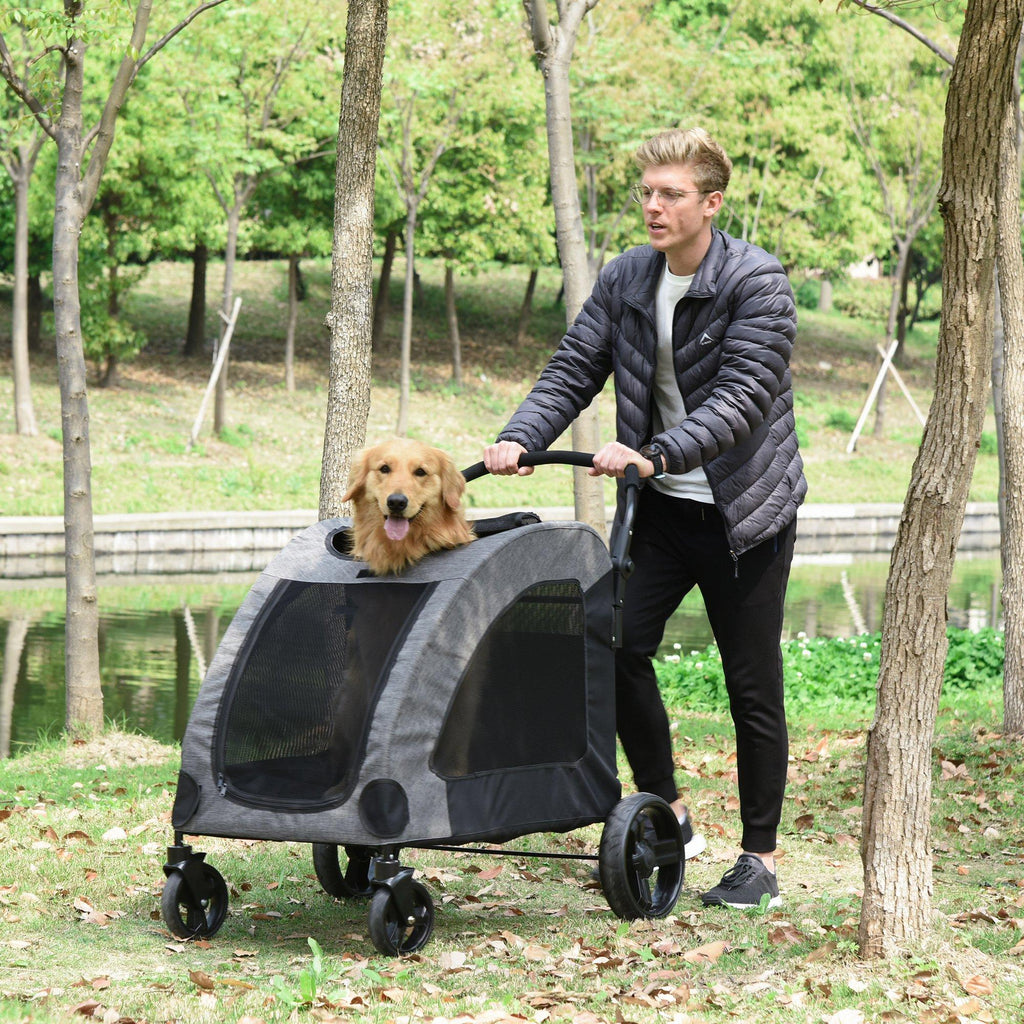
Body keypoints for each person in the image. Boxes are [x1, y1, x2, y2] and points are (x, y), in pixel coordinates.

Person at [484, 127, 805, 909]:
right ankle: (671, 813)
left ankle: (760, 860)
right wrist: (522, 437)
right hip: (660, 510)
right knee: (613, 643)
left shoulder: (757, 282)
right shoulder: (628, 276)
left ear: (711, 203)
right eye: (647, 193)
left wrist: (654, 453)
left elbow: (741, 400)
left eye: (671, 194)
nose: (653, 207)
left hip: (742, 515)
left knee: (751, 686)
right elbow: (574, 367)